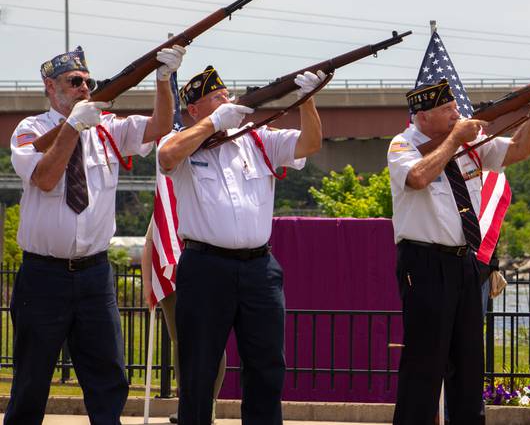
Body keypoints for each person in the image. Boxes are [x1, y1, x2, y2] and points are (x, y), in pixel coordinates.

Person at [7, 44, 185, 425]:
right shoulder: (31, 130)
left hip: (94, 274)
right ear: (50, 88)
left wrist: (163, 80)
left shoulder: (108, 129)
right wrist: (72, 126)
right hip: (44, 276)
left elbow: (159, 127)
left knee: (109, 377)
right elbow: (45, 176)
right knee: (31, 380)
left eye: (89, 82)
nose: (84, 88)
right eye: (74, 82)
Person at [388, 78, 530, 425]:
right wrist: (455, 139)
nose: (457, 114)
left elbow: (518, 150)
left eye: (455, 107)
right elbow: (418, 178)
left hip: (464, 262)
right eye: (447, 109)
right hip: (424, 263)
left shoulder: (470, 143)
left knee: (468, 365)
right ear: (422, 117)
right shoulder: (402, 144)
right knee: (425, 364)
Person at [156, 65, 323, 425]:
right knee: (198, 369)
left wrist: (307, 102)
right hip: (205, 268)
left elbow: (309, 144)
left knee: (267, 366)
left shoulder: (259, 138)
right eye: (216, 99)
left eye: (227, 96)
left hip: (259, 269)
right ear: (195, 110)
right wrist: (214, 123)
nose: (227, 101)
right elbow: (166, 156)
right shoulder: (185, 141)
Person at [140, 220, 227, 424]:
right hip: (172, 284)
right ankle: (186, 404)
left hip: (208, 277)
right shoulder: (166, 195)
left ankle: (208, 403)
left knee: (213, 342)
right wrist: (147, 284)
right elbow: (150, 243)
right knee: (181, 343)